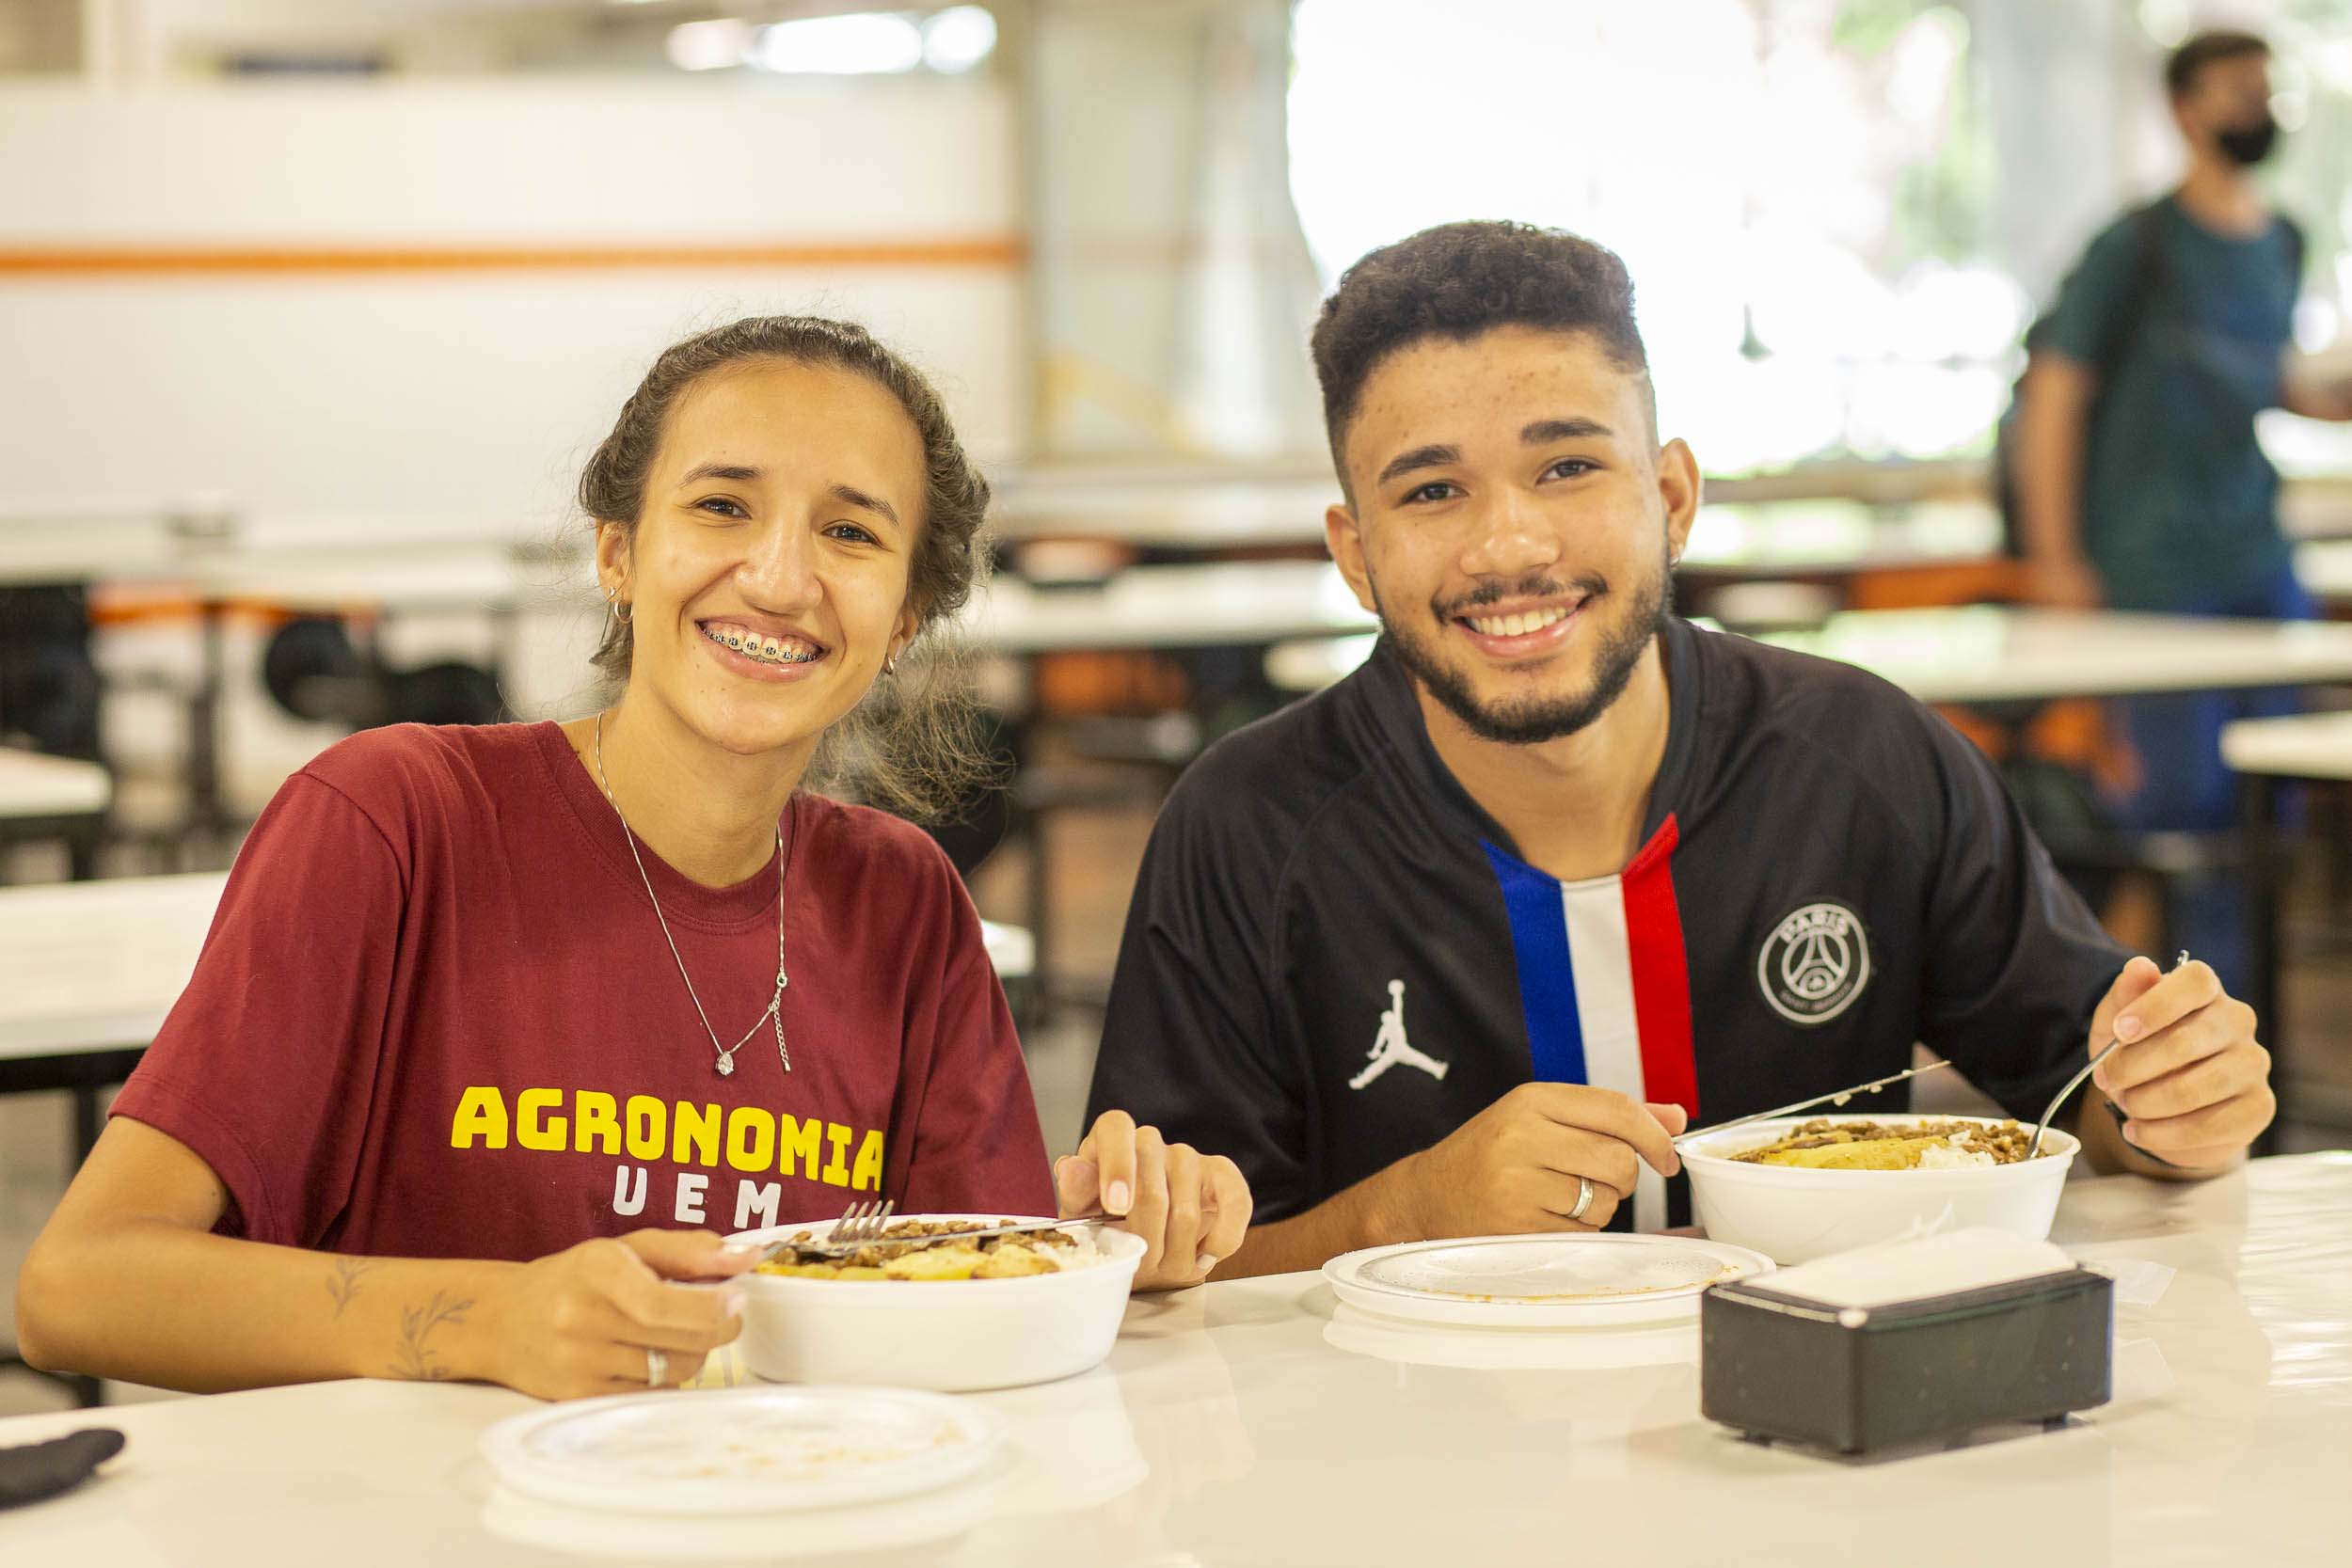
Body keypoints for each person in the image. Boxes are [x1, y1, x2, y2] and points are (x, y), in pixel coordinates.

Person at [17, 316, 1249, 1400]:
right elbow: (82, 1285)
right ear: (616, 549)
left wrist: (1106, 1242)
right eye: (722, 506)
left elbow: (958, 1301)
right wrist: (484, 1320)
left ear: (907, 618)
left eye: (850, 530)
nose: (778, 575)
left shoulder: (903, 899)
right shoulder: (395, 821)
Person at [1086, 221, 2278, 1279]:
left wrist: (2181, 1102)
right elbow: (1150, 1272)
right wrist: (1405, 1210)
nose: (1509, 544)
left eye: (1567, 467)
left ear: (1670, 495)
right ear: (1354, 552)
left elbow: (2097, 1094)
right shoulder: (1247, 827)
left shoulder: (1864, 759)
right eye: (1434, 490)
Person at [2014, 27, 2352, 989]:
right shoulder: (2136, 245)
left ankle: (2252, 1035)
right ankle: (2201, 1035)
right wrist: (2058, 564)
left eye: (2266, 87)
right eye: (2236, 88)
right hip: (2152, 565)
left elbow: (2258, 374)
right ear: (2184, 107)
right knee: (2184, 807)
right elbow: (2054, 398)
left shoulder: (2284, 238)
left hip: (2256, 552)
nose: (2258, 105)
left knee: (2273, 804)